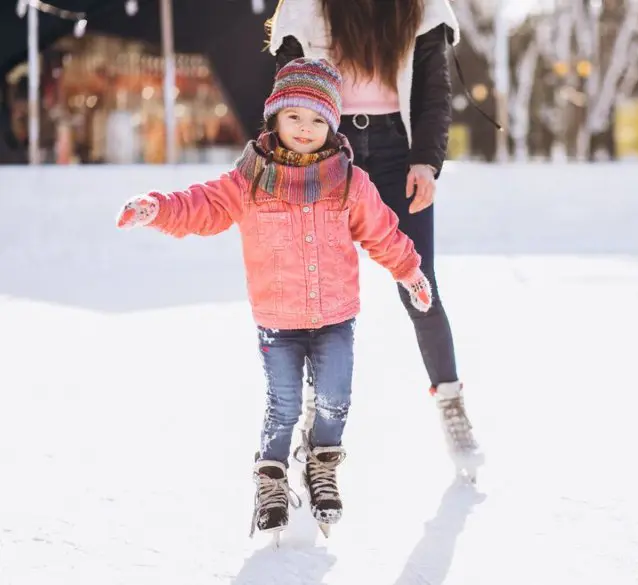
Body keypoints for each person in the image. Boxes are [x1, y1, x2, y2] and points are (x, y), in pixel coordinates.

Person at [114, 58, 433, 536]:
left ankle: (322, 463)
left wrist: (409, 270)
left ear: (332, 124)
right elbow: (203, 206)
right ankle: (271, 476)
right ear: (275, 118)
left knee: (334, 398)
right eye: (295, 117)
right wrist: (159, 208)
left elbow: (382, 233)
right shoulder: (249, 180)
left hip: (335, 316)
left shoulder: (348, 181)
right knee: (283, 404)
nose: (305, 129)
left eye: (318, 120)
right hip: (278, 320)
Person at [266, 0, 483, 479]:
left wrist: (426, 161)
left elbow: (434, 92)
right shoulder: (304, 6)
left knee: (419, 284)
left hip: (396, 151)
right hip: (327, 146)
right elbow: (287, 82)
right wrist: (289, 155)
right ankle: (311, 410)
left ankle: (449, 399)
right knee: (313, 287)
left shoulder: (422, 8)